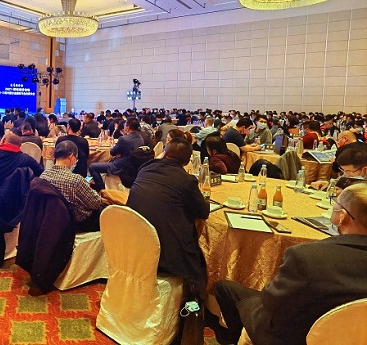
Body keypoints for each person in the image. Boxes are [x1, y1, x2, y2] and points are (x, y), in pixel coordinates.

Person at [213, 183, 367, 345]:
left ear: (342, 216)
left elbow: (271, 302)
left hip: (292, 337)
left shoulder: (308, 257)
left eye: (335, 201)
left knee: (224, 288)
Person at [126, 138, 210, 298]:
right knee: (199, 258)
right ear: (187, 162)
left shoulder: (145, 169)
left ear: (164, 153)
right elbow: (203, 212)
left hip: (134, 242)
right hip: (166, 255)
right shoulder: (186, 180)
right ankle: (193, 301)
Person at [40, 141, 103, 232]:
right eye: (76, 158)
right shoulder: (75, 180)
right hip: (76, 223)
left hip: (52, 220)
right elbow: (95, 203)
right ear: (71, 157)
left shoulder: (43, 176)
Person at [89, 117, 144, 191]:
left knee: (92, 167)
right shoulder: (140, 138)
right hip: (134, 166)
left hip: (121, 166)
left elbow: (112, 152)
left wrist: (119, 152)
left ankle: (101, 188)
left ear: (127, 128)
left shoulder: (124, 139)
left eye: (125, 125)